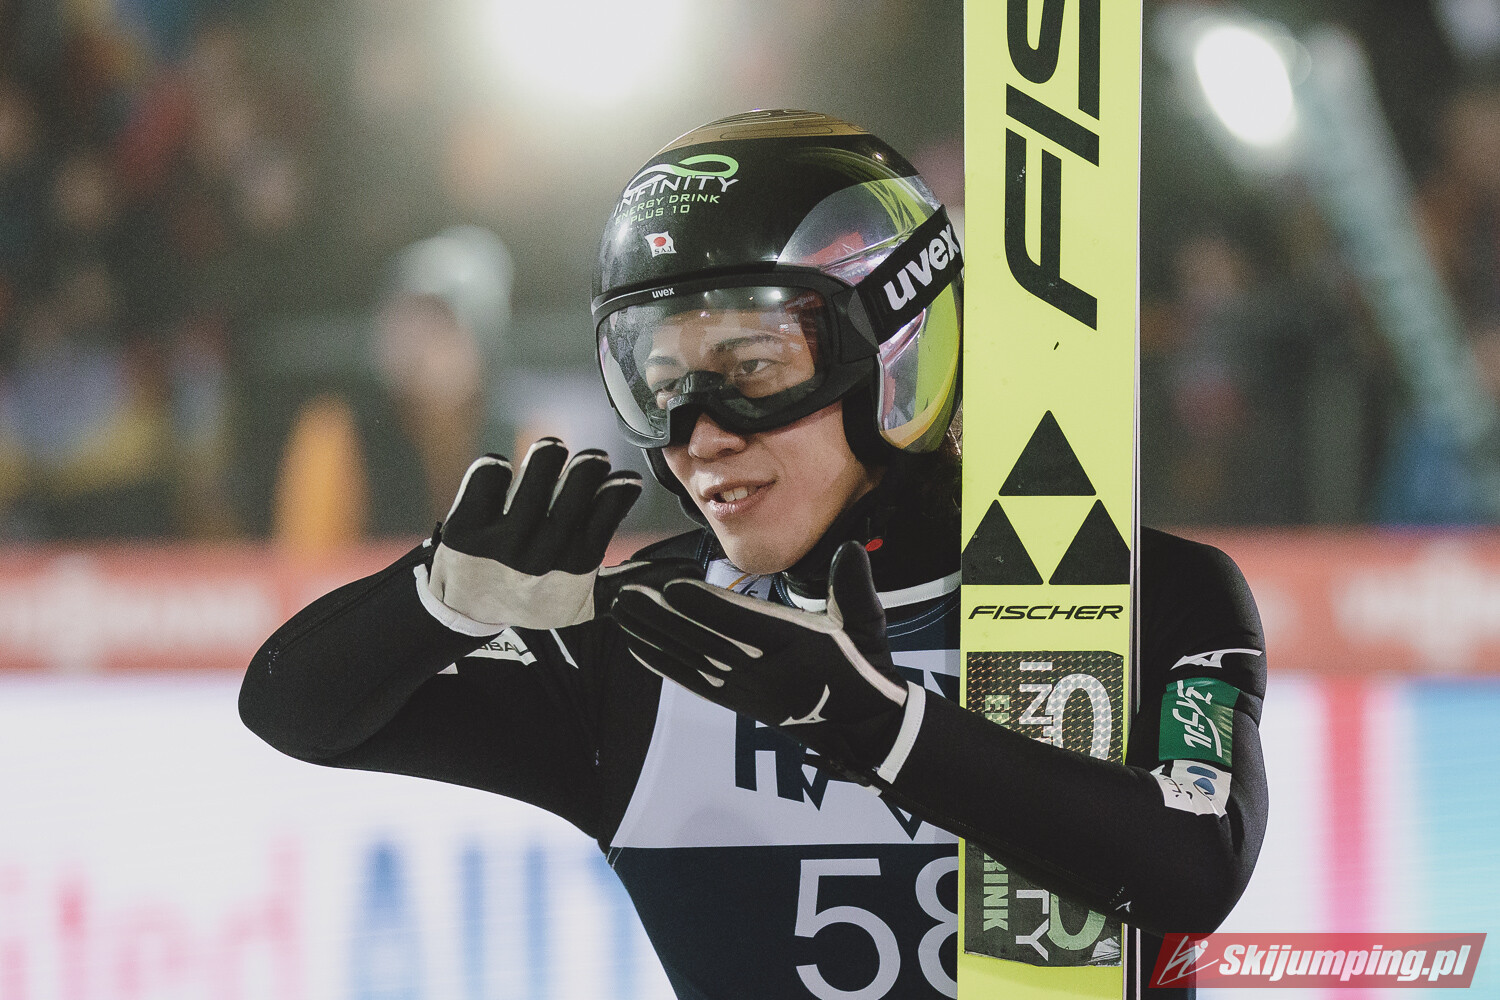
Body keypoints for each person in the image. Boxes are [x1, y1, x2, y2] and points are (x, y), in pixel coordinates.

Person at [239, 110, 1267, 999]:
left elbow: (1195, 865)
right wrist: (437, 601)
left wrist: (880, 729)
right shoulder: (647, 637)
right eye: (659, 386)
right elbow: (292, 708)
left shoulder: (1156, 594)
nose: (699, 437)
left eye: (753, 370)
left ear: (898, 355)